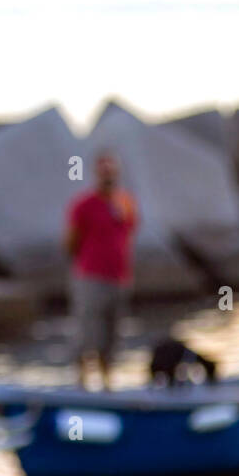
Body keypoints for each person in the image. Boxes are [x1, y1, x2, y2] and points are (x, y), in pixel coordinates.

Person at [65, 151, 137, 390]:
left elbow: (128, 233)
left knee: (113, 331)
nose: (108, 175)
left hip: (118, 277)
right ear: (97, 173)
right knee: (88, 329)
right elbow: (70, 242)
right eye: (104, 170)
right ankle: (81, 380)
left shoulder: (125, 202)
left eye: (111, 170)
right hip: (91, 277)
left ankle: (107, 380)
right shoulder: (83, 205)